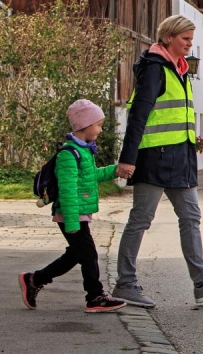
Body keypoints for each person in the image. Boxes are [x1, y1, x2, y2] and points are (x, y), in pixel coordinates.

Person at [111, 16, 203, 308]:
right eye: (185, 39)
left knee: (191, 218)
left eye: (192, 40)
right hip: (154, 159)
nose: (190, 45)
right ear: (168, 37)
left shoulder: (179, 71)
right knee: (141, 220)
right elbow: (138, 116)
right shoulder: (154, 69)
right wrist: (127, 159)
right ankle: (125, 284)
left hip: (179, 160)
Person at [19, 100, 126, 313]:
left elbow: (91, 175)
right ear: (84, 125)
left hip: (79, 213)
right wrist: (71, 221)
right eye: (98, 124)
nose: (100, 129)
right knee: (88, 254)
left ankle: (34, 279)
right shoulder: (69, 154)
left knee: (77, 254)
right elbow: (67, 190)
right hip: (71, 214)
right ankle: (95, 296)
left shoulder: (83, 151)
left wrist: (115, 171)